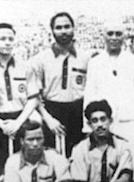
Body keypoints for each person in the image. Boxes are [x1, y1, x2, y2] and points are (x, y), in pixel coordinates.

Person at [0, 23, 42, 181]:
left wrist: (18, 123)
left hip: (21, 120)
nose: (7, 42)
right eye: (2, 38)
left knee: (23, 165)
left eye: (10, 39)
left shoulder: (25, 67)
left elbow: (33, 98)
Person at [30, 12, 90, 157]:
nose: (63, 31)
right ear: (52, 31)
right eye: (58, 27)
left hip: (78, 112)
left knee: (78, 158)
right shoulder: (40, 59)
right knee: (52, 158)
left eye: (67, 27)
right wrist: (48, 119)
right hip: (52, 111)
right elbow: (33, 95)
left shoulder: (85, 57)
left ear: (73, 28)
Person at [84, 21, 134, 146]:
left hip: (130, 122)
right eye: (110, 34)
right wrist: (87, 127)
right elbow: (89, 94)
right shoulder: (95, 62)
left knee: (130, 159)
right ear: (104, 36)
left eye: (118, 34)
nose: (114, 38)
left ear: (124, 37)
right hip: (102, 123)